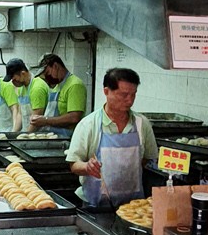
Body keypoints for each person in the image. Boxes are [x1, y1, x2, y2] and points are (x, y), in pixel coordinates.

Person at [67, 66, 158, 207]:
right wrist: (87, 167)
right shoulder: (89, 124)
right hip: (95, 206)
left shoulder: (142, 124)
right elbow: (74, 164)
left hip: (134, 206)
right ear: (106, 91)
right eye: (124, 95)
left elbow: (147, 159)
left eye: (133, 95)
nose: (129, 100)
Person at [29, 53, 87, 136]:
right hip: (54, 137)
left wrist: (45, 120)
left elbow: (74, 117)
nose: (46, 77)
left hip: (68, 139)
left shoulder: (75, 85)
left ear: (55, 66)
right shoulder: (57, 86)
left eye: (47, 73)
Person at [1, 58, 33, 131]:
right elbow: (20, 113)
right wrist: (14, 133)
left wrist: (27, 137)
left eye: (14, 79)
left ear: (23, 74)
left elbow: (37, 117)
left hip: (36, 135)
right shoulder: (21, 89)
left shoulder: (37, 87)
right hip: (27, 133)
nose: (13, 82)